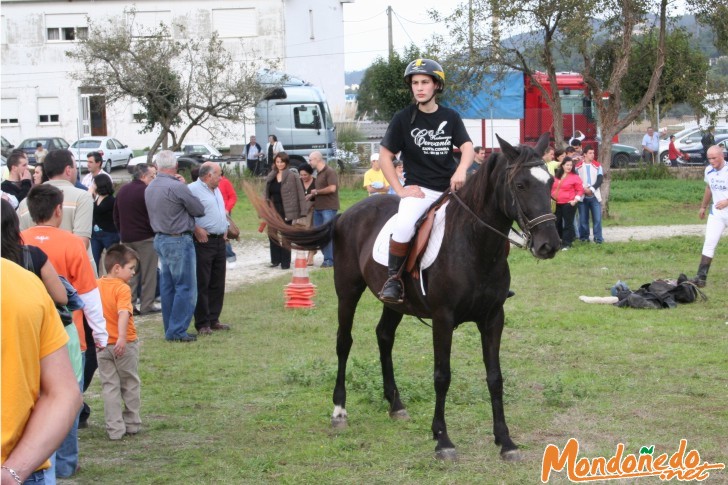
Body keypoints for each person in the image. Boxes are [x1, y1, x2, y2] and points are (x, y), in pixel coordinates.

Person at [21, 183, 109, 479]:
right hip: (68, 336)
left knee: (35, 398)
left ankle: (35, 457)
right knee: (68, 398)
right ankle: (66, 462)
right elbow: (88, 294)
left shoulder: (17, 241)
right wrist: (101, 333)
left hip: (29, 335)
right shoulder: (73, 243)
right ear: (59, 210)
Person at [377, 58, 474, 303]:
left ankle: (487, 280)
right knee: (404, 225)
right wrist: (399, 189)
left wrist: (461, 169)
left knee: (480, 222)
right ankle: (394, 280)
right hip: (420, 191)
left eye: (425, 82)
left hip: (451, 190)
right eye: (415, 83)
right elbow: (386, 156)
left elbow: (467, 147)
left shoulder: (451, 117)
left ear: (436, 86)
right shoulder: (403, 118)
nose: (419, 87)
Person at [1, 258, 82, 485]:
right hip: (20, 470)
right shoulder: (25, 283)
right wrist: (13, 471)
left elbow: (63, 394)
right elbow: (64, 393)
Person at [144, 150, 205, 342]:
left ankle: (170, 327)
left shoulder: (150, 186)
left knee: (168, 286)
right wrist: (184, 186)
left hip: (160, 238)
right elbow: (198, 209)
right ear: (175, 166)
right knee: (185, 287)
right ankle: (178, 329)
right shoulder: (177, 187)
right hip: (178, 239)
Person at [96, 244, 142, 440]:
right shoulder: (122, 288)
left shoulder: (96, 285)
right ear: (117, 268)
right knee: (130, 382)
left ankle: (114, 429)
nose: (133, 273)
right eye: (131, 268)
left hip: (102, 344)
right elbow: (124, 312)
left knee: (109, 385)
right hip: (124, 344)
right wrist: (122, 337)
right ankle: (132, 423)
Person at [18, 149, 94, 250]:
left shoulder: (25, 203)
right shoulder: (83, 197)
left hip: (36, 265)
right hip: (74, 264)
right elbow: (82, 244)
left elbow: (21, 244)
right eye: (75, 167)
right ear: (68, 170)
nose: (76, 170)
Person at [188, 162, 231, 335]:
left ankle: (214, 319)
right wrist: (196, 229)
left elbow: (220, 210)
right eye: (219, 174)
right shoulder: (191, 190)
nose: (221, 178)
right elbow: (184, 213)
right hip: (204, 242)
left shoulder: (216, 189)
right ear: (208, 176)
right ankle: (202, 322)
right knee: (202, 282)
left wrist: (225, 226)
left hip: (219, 241)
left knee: (217, 282)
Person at [113, 164, 160, 316]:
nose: (153, 179)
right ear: (144, 176)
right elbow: (152, 215)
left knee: (130, 274)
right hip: (145, 238)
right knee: (148, 273)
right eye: (152, 176)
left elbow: (116, 215)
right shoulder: (147, 191)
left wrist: (121, 231)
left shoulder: (122, 191)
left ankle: (130, 304)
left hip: (126, 238)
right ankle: (147, 305)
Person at [691, 145, 728, 287]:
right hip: (717, 214)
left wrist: (727, 201)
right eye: (709, 158)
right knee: (709, 242)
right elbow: (709, 188)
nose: (711, 161)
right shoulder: (709, 171)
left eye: (714, 158)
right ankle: (701, 278)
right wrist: (703, 206)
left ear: (722, 156)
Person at [265, 152, 308, 270]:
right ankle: (275, 260)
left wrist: (302, 211)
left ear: (286, 162)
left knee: (286, 236)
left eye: (282, 162)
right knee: (272, 234)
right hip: (273, 209)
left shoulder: (292, 176)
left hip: (287, 209)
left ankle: (285, 262)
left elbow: (300, 193)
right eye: (277, 162)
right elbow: (266, 194)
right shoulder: (271, 176)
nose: (279, 164)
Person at [307, 151, 339, 268]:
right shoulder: (319, 173)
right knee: (320, 235)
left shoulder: (329, 172)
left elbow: (332, 188)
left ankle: (330, 260)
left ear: (317, 159)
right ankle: (327, 259)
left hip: (328, 208)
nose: (309, 162)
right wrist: (312, 196)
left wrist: (316, 192)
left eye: (310, 160)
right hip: (319, 208)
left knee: (328, 234)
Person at [551, 157, 584, 250]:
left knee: (568, 224)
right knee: (557, 222)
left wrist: (575, 200)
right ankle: (558, 241)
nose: (569, 167)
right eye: (567, 165)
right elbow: (552, 188)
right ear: (562, 166)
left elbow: (580, 190)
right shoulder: (556, 176)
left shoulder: (575, 177)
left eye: (571, 165)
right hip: (556, 203)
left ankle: (567, 243)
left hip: (569, 203)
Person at [90, 173, 121, 273]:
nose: (92, 185)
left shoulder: (111, 200)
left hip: (109, 233)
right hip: (95, 234)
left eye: (94, 183)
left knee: (112, 260)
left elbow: (100, 210)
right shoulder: (96, 198)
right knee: (93, 259)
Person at [575, 147, 604, 244]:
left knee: (597, 219)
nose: (592, 155)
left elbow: (600, 179)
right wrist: (584, 189)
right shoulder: (578, 166)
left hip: (594, 195)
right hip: (582, 195)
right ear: (585, 154)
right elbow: (577, 180)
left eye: (593, 153)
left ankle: (598, 238)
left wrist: (592, 188)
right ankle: (584, 238)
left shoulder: (597, 165)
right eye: (590, 153)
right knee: (583, 219)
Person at [297, 163, 317, 266]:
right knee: (302, 233)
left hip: (313, 211)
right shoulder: (298, 182)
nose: (303, 177)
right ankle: (304, 253)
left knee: (311, 233)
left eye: (305, 175)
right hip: (301, 212)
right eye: (301, 175)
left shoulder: (316, 182)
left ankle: (311, 255)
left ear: (310, 174)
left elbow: (320, 196)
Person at [218, 168, 238, 265]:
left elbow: (233, 196)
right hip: (213, 212)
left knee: (224, 235)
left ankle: (230, 256)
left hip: (224, 212)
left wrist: (227, 209)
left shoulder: (225, 182)